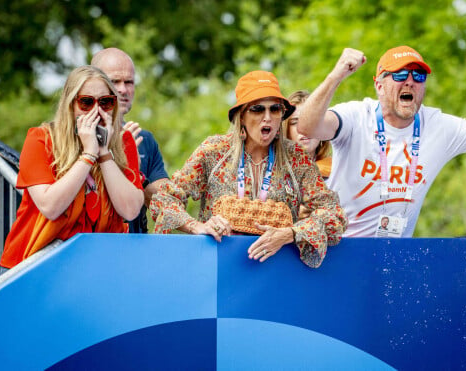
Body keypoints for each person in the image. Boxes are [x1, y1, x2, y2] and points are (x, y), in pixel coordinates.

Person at [298, 46, 466, 238]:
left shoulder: (439, 126)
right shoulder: (356, 117)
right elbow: (307, 126)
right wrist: (337, 74)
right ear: (379, 85)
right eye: (400, 74)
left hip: (394, 260)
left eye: (418, 75)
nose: (410, 81)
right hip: (339, 250)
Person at [150, 71, 347, 268]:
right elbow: (164, 199)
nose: (267, 117)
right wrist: (197, 226)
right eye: (258, 109)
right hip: (217, 269)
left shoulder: (296, 158)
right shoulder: (214, 151)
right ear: (241, 115)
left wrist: (291, 233)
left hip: (277, 269)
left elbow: (334, 215)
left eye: (275, 109)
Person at [0, 66, 144, 270]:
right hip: (32, 264)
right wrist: (88, 155)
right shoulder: (41, 139)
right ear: (70, 104)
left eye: (105, 102)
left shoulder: (123, 141)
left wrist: (104, 153)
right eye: (86, 102)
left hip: (92, 266)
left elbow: (130, 210)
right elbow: (50, 207)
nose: (97, 111)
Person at [91, 48, 169, 233]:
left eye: (129, 82)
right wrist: (113, 156)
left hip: (134, 246)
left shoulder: (145, 139)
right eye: (114, 81)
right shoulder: (74, 136)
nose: (122, 89)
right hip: (90, 245)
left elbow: (165, 202)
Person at [284, 90, 332, 179]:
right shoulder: (270, 170)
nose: (304, 128)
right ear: (286, 130)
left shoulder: (336, 170)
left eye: (311, 121)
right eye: (295, 122)